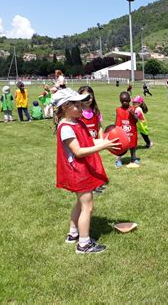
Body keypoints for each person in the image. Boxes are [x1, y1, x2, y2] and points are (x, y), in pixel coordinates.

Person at [52, 88, 120, 254]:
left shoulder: (77, 121)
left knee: (80, 203)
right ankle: (84, 244)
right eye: (75, 104)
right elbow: (78, 151)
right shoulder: (66, 127)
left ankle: (73, 233)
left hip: (80, 170)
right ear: (64, 107)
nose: (80, 106)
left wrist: (105, 139)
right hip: (77, 171)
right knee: (87, 207)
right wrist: (103, 146)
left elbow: (89, 141)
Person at [115, 91, 139, 168]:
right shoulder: (118, 110)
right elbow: (117, 120)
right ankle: (118, 159)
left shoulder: (133, 109)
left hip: (132, 132)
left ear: (129, 100)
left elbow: (136, 120)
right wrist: (116, 130)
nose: (124, 102)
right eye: (122, 101)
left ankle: (133, 158)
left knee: (132, 146)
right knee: (120, 146)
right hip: (122, 132)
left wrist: (132, 113)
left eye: (126, 100)